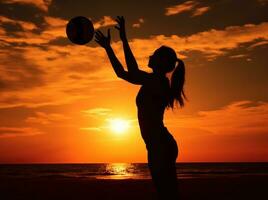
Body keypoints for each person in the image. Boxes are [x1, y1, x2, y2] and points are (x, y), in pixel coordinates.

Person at [95, 16, 186, 200]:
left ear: (161, 63)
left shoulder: (158, 82)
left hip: (160, 145)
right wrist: (108, 48)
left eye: (155, 54)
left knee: (168, 194)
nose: (150, 56)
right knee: (167, 194)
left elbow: (133, 70)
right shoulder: (152, 81)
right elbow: (123, 74)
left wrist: (124, 38)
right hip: (158, 145)